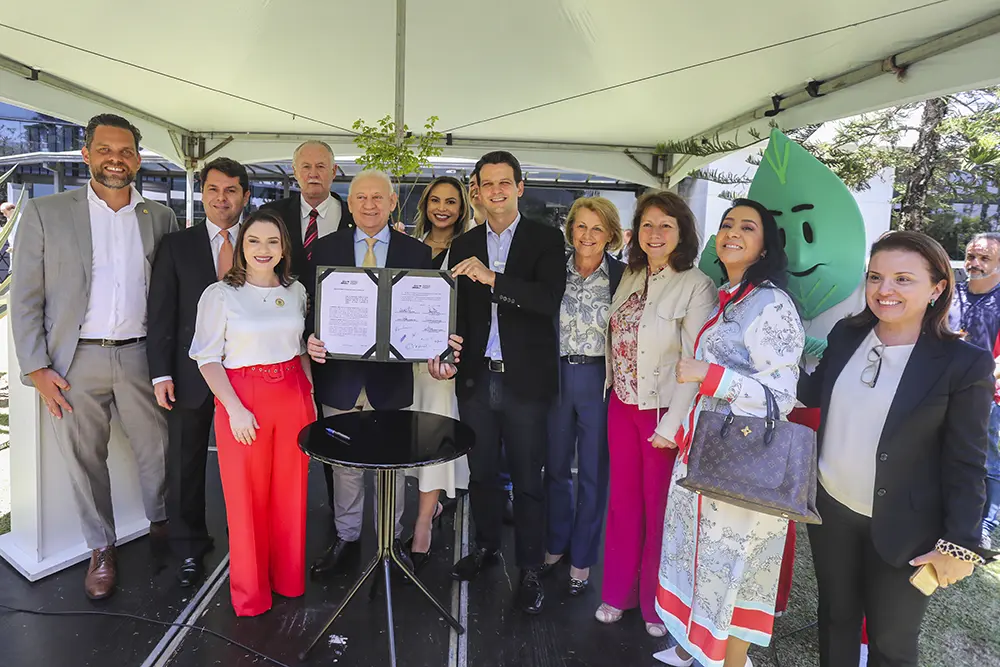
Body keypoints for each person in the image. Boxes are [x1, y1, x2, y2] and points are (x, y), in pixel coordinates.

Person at [800, 231, 994, 667]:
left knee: (891, 643)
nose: (884, 289)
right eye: (875, 277)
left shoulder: (964, 364)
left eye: (903, 279)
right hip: (831, 511)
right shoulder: (847, 334)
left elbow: (966, 462)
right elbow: (812, 391)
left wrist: (960, 544)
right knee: (835, 619)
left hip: (907, 527)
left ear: (937, 287)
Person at [10, 113, 178, 600]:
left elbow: (169, 295)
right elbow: (25, 296)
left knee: (158, 451)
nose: (115, 160)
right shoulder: (46, 213)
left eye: (125, 152)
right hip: (74, 362)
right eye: (105, 150)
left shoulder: (160, 217)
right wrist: (36, 368)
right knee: (84, 460)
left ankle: (162, 526)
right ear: (86, 155)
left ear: (138, 160)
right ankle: (101, 548)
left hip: (143, 357)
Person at [655, 199, 805, 667]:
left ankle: (731, 661)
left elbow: (781, 396)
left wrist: (711, 375)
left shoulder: (772, 304)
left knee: (734, 568)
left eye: (747, 227)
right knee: (700, 559)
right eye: (726, 224)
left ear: (765, 247)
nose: (732, 232)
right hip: (706, 450)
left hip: (742, 462)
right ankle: (694, 648)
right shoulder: (730, 296)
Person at [444, 151, 566, 615]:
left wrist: (492, 277)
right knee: (481, 474)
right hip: (477, 378)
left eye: (504, 182)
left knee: (528, 479)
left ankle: (530, 568)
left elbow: (547, 299)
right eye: (487, 183)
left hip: (525, 382)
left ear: (520, 187)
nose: (495, 191)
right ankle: (486, 546)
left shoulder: (545, 238)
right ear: (476, 190)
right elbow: (456, 311)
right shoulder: (464, 243)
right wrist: (445, 351)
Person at [593, 191, 717, 635]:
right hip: (622, 404)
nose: (655, 233)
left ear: (682, 232)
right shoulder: (631, 274)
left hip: (662, 413)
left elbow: (695, 361)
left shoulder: (696, 285)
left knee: (658, 509)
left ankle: (655, 603)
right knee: (623, 504)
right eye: (647, 224)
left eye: (666, 224)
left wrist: (672, 424)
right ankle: (617, 593)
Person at [306, 170, 433, 578]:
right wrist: (310, 337)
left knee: (390, 465)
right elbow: (310, 308)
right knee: (344, 466)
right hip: (339, 377)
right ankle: (346, 537)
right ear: (349, 203)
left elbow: (425, 313)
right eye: (361, 197)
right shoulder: (325, 248)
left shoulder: (417, 253)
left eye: (378, 197)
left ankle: (390, 541)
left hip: (390, 380)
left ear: (393, 202)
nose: (369, 205)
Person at [188, 209, 314, 617]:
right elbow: (207, 359)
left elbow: (299, 349)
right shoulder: (220, 294)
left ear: (284, 248)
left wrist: (309, 394)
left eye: (272, 241)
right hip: (243, 399)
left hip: (292, 394)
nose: (263, 249)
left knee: (291, 494)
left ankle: (288, 579)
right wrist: (235, 409)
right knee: (247, 499)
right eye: (254, 241)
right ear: (241, 246)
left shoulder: (296, 290)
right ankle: (251, 594)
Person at [147, 157, 250, 587]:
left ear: (245, 195)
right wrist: (160, 374)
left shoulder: (262, 239)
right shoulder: (177, 245)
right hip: (190, 376)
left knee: (246, 466)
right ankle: (189, 547)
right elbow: (161, 313)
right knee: (186, 463)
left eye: (231, 190)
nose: (221, 198)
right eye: (213, 189)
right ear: (202, 193)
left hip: (248, 376)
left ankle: (247, 542)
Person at [261, 140, 355, 511]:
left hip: (338, 347)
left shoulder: (355, 216)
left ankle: (338, 521)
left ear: (335, 172)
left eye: (321, 166)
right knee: (285, 437)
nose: (313, 174)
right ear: (294, 171)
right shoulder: (272, 215)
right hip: (281, 343)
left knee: (334, 436)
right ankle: (285, 514)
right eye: (306, 166)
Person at [541, 197, 626, 596]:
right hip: (556, 375)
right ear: (570, 229)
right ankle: (556, 542)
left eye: (597, 228)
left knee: (593, 471)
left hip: (599, 378)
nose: (587, 235)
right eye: (581, 226)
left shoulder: (624, 276)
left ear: (610, 235)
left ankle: (583, 556)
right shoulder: (553, 270)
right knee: (555, 465)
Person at [406, 176, 473, 570]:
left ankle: (422, 524)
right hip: (402, 362)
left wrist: (455, 356)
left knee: (433, 440)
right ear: (425, 205)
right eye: (435, 200)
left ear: (462, 207)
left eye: (451, 201)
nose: (442, 208)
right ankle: (413, 513)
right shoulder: (409, 247)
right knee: (404, 442)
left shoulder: (468, 251)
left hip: (441, 365)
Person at [948, 232, 1000, 549]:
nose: (975, 263)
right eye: (971, 256)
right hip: (946, 389)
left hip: (986, 395)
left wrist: (984, 378)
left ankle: (986, 525)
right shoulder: (952, 293)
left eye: (984, 258)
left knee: (987, 461)